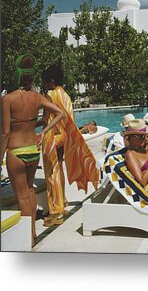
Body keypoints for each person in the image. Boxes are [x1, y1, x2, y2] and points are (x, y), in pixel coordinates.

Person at [0, 54, 64, 244]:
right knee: (29, 191)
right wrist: (44, 131)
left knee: (22, 196)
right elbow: (60, 113)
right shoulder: (37, 97)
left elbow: (5, 133)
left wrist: (0, 155)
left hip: (16, 151)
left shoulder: (7, 99)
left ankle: (27, 236)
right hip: (33, 150)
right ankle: (33, 231)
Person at [40, 65, 99, 226]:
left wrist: (30, 124)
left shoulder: (50, 94)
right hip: (65, 136)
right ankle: (62, 203)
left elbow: (46, 119)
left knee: (52, 173)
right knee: (59, 169)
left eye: (44, 82)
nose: (43, 85)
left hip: (53, 136)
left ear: (51, 81)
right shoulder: (65, 94)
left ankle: (56, 212)